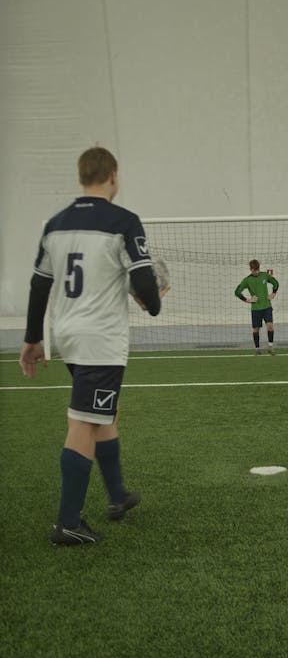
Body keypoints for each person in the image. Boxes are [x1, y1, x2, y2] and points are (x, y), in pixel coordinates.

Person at [19, 146, 168, 546]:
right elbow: (145, 287)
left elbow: (39, 285)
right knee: (84, 421)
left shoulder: (55, 224)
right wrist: (154, 301)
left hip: (68, 335)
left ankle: (117, 496)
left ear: (82, 176)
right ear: (113, 176)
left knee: (103, 411)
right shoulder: (124, 221)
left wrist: (33, 338)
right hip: (101, 339)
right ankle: (67, 523)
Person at [234, 259, 279, 355]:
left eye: (258, 269)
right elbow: (237, 292)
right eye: (255, 270)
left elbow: (275, 283)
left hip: (267, 306)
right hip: (256, 309)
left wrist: (273, 293)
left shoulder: (265, 276)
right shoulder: (247, 280)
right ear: (251, 269)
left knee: (270, 326)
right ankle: (257, 349)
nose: (257, 271)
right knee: (256, 329)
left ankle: (270, 347)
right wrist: (248, 300)